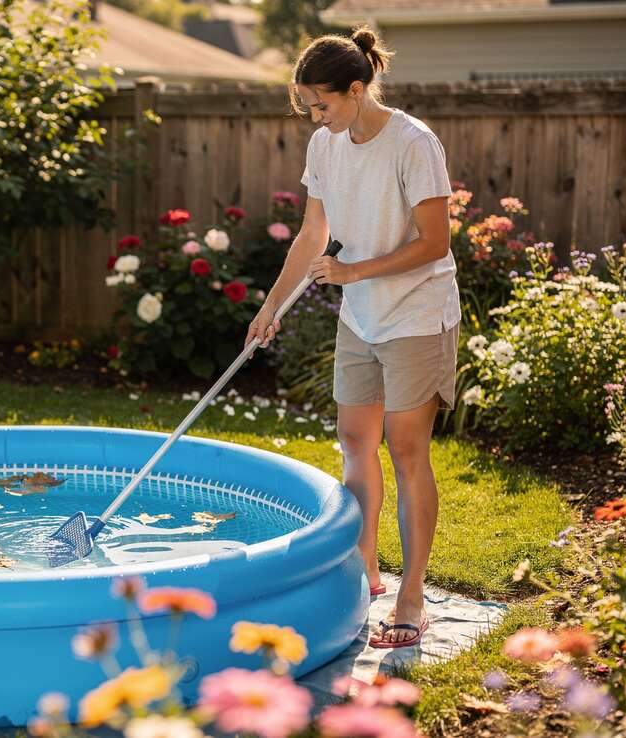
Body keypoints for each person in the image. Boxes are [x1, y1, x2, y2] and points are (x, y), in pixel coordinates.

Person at [245, 26, 459, 650]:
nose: (315, 116)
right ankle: (364, 575)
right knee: (354, 442)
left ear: (358, 88)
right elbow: (314, 233)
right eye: (308, 106)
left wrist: (353, 271)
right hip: (360, 316)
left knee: (406, 450)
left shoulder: (413, 143)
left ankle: (413, 596)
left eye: (323, 103)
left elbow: (434, 242)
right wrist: (273, 304)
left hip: (417, 316)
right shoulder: (326, 144)